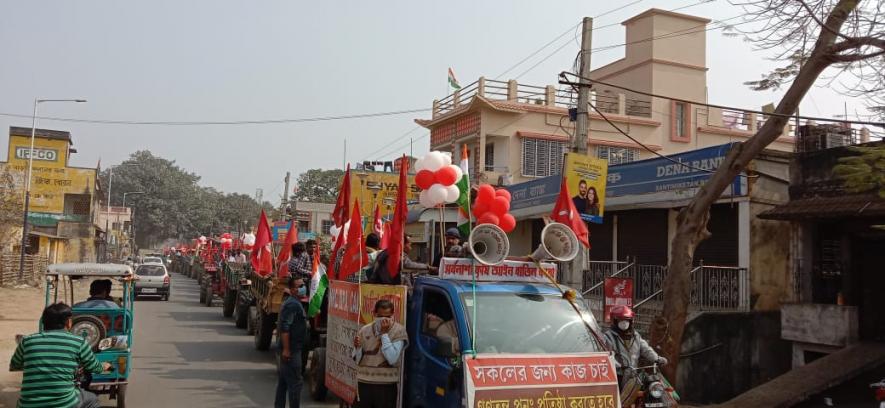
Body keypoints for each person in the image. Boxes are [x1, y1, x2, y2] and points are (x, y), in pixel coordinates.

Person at [10, 303, 112, 408]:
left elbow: (14, 365)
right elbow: (95, 367)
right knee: (92, 399)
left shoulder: (27, 341)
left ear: (44, 322)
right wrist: (105, 366)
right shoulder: (79, 342)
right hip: (64, 404)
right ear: (68, 322)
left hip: (27, 405)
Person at [352, 300, 408, 408]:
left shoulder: (399, 331)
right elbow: (356, 359)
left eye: (387, 316)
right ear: (374, 314)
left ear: (392, 315)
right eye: (380, 316)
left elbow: (392, 358)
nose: (383, 319)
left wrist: (384, 334)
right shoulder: (365, 330)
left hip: (385, 387)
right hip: (364, 384)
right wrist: (357, 348)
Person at [602, 305, 667, 388]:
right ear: (614, 321)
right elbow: (608, 356)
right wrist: (618, 365)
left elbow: (646, 349)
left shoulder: (636, 336)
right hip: (618, 376)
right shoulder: (608, 337)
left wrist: (657, 359)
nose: (624, 323)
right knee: (619, 398)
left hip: (634, 375)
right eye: (621, 320)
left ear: (631, 321)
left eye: (627, 320)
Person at [275, 275, 307, 408]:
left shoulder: (294, 302)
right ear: (293, 290)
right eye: (300, 286)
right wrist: (287, 349)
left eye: (303, 285)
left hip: (290, 350)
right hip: (292, 351)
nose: (303, 288)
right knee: (295, 384)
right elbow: (285, 328)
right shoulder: (293, 304)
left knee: (283, 382)